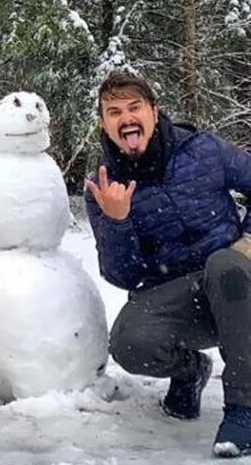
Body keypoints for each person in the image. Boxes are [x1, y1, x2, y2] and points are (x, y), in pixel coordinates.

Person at [85, 71, 251, 458]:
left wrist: (248, 242)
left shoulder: (202, 149)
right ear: (104, 124)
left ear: (154, 113)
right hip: (176, 295)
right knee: (128, 343)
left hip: (236, 280)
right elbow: (121, 275)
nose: (126, 118)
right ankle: (190, 371)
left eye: (134, 107)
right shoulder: (103, 187)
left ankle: (244, 408)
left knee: (225, 265)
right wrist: (118, 220)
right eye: (114, 111)